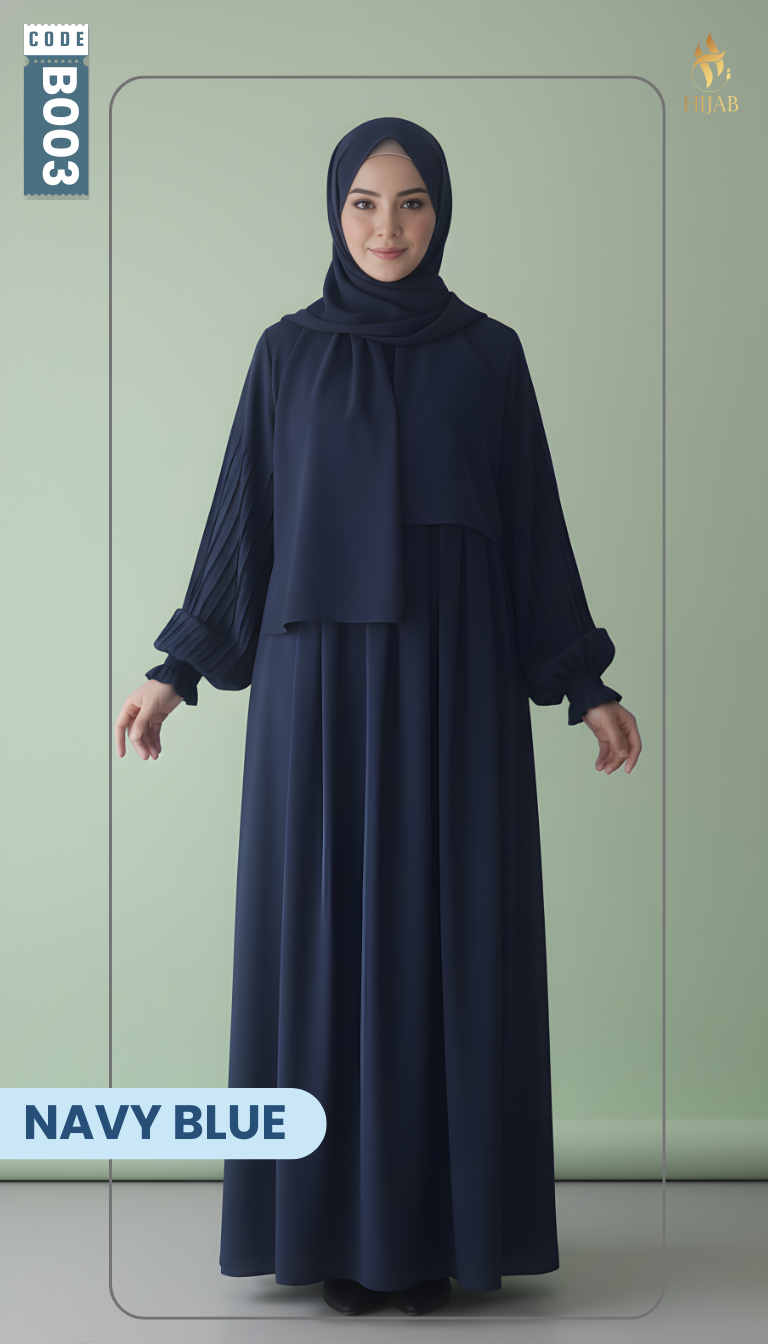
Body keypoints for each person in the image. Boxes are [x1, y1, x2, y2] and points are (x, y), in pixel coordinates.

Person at [115, 117, 642, 1318]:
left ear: (441, 213)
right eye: (363, 202)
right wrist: (175, 671)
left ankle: (436, 1236)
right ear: (334, 212)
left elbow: (534, 527)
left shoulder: (491, 356)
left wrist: (585, 683)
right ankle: (329, 1237)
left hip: (456, 690)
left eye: (410, 203)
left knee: (447, 937)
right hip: (316, 700)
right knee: (321, 942)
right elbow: (242, 524)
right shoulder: (286, 354)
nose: (387, 226)